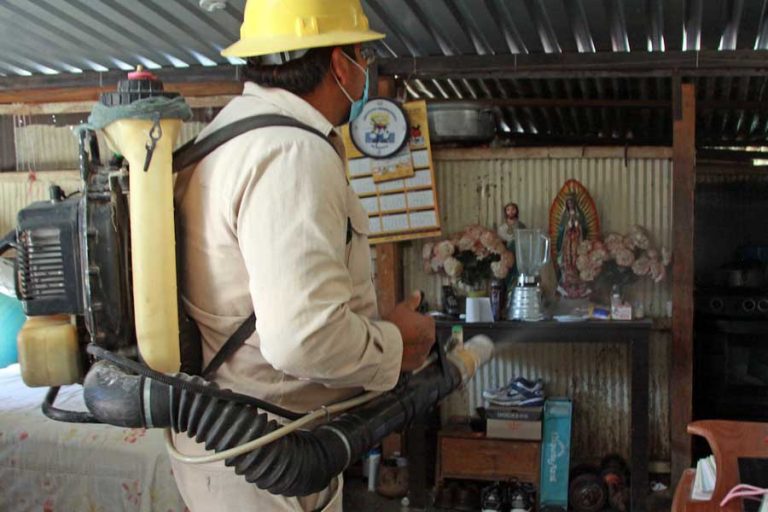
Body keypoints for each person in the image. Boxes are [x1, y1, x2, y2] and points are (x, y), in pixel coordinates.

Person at [171, 1, 435, 510]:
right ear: (340, 64)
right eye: (362, 55)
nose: (365, 69)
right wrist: (396, 343)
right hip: (265, 456)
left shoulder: (227, 138)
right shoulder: (292, 153)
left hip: (240, 443)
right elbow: (303, 339)